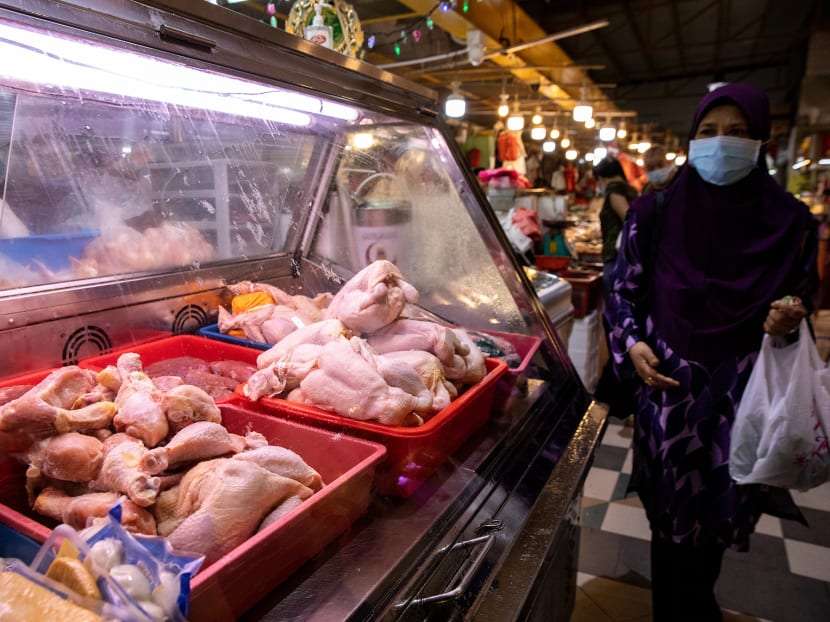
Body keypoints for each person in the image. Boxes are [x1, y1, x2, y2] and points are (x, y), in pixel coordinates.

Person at [604, 82, 818, 621]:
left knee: (721, 516)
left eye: (737, 133)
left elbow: (801, 295)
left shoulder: (793, 223)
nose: (721, 143)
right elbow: (622, 291)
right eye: (709, 132)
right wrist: (632, 345)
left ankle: (697, 607)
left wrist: (789, 312)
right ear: (691, 140)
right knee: (669, 524)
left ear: (761, 142)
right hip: (670, 397)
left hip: (743, 400)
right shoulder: (653, 213)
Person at [593, 155, 638, 295]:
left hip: (617, 257)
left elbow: (630, 220)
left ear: (602, 177)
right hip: (626, 256)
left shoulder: (615, 192)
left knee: (615, 305)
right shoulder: (629, 189)